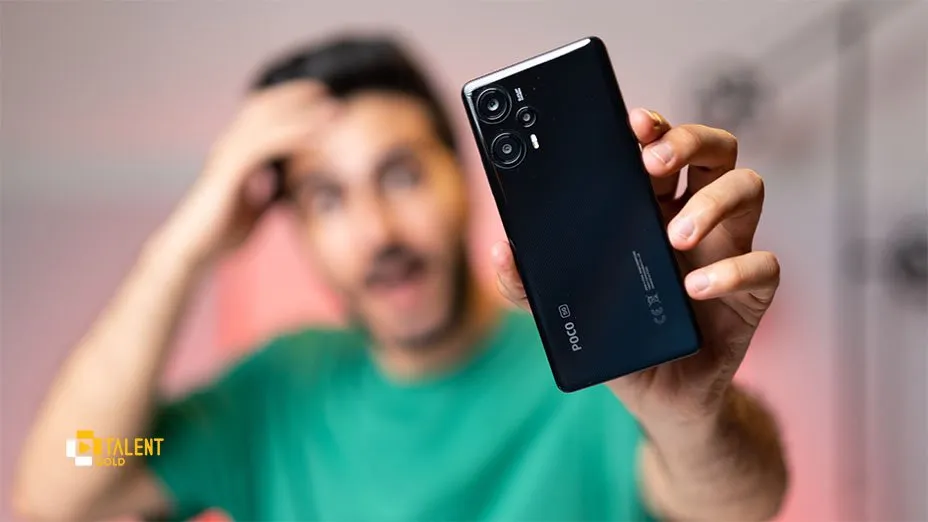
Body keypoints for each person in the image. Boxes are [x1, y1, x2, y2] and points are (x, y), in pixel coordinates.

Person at [12, 35, 787, 522]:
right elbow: (69, 479)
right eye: (327, 198)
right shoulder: (270, 400)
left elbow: (743, 503)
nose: (377, 232)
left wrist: (691, 417)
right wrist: (182, 247)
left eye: (401, 175)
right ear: (298, 228)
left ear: (460, 176)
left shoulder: (602, 366)